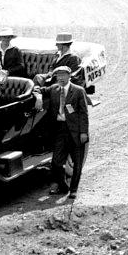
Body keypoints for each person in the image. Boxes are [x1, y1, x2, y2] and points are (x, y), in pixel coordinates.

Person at [47, 64, 89, 199]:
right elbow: (39, 89)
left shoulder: (78, 91)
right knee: (56, 162)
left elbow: (83, 113)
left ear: (69, 76)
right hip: (60, 130)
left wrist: (84, 132)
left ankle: (74, 189)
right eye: (58, 76)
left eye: (64, 75)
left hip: (75, 131)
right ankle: (63, 186)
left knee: (77, 162)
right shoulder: (53, 89)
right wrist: (38, 96)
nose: (61, 78)